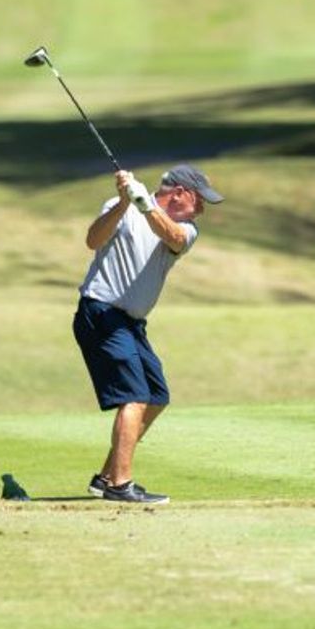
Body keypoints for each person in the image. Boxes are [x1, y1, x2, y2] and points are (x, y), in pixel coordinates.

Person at [73, 163, 223, 504]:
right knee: (134, 396)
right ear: (181, 193)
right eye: (200, 201)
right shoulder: (119, 208)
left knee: (155, 396)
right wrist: (126, 203)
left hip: (131, 323)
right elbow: (92, 240)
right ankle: (120, 485)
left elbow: (171, 236)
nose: (201, 210)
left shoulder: (187, 229)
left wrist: (144, 204)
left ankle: (107, 476)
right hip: (101, 311)